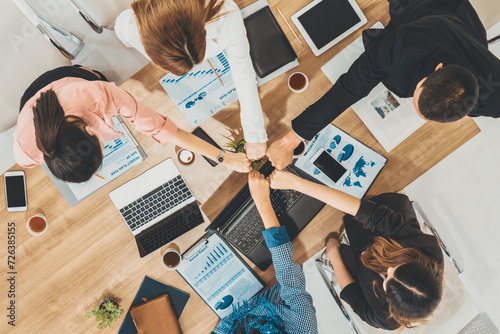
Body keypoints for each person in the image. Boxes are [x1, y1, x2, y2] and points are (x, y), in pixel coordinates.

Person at [268, 0, 500, 170]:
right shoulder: (400, 47)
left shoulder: (495, 101)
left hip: (465, 29)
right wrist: (291, 139)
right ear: (437, 69)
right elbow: (349, 88)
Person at [268, 169, 444, 330]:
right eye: (397, 267)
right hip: (381, 207)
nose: (388, 270)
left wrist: (334, 254)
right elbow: (371, 214)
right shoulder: (428, 250)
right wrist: (296, 183)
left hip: (350, 255)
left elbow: (353, 295)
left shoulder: (386, 319)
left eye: (388, 280)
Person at [14, 66, 251, 183]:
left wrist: (224, 158)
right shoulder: (26, 153)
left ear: (89, 128)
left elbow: (165, 129)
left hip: (72, 78)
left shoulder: (102, 93)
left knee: (96, 73)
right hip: (32, 104)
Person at [115, 0, 268, 160]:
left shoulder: (226, 12)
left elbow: (242, 70)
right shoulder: (131, 27)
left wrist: (254, 134)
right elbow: (123, 33)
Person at [212, 171, 318, 334]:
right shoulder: (303, 328)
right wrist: (262, 201)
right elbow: (287, 274)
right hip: (273, 282)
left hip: (232, 300)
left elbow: (221, 329)